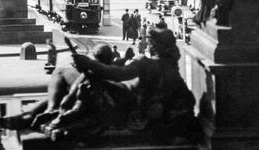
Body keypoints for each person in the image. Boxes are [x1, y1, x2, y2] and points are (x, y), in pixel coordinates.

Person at [67, 28, 199, 142]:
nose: (147, 45)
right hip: (171, 114)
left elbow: (119, 74)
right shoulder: (170, 64)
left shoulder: (145, 63)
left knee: (95, 86)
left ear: (154, 45)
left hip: (147, 113)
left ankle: (71, 115)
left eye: (148, 43)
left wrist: (90, 63)